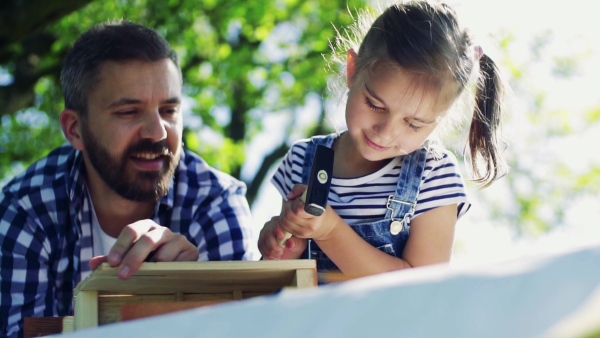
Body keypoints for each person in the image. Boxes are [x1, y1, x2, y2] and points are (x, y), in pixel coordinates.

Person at [0, 20, 259, 337]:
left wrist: (188, 297)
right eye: (129, 112)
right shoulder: (26, 211)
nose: (157, 132)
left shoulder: (215, 203)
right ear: (74, 129)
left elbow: (247, 330)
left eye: (168, 110)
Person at [258, 1, 509, 277]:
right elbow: (282, 281)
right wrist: (282, 248)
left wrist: (329, 231)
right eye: (375, 105)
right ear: (352, 70)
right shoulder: (303, 160)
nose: (385, 132)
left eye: (413, 124)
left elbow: (418, 287)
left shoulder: (434, 175)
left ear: (440, 118)